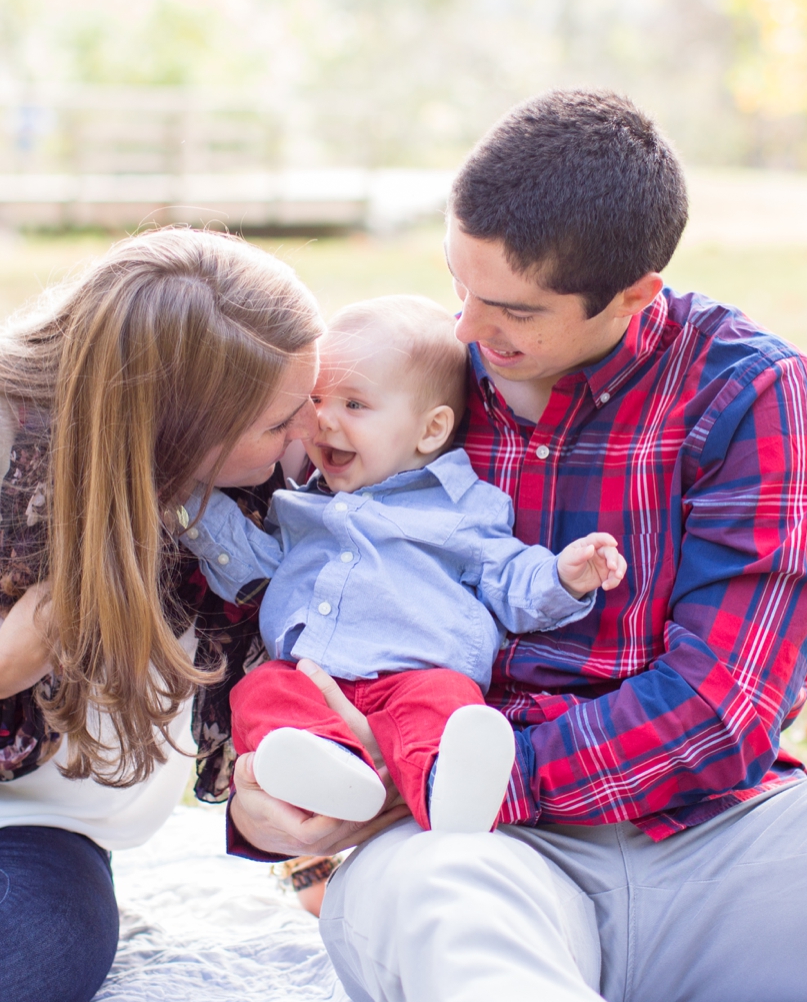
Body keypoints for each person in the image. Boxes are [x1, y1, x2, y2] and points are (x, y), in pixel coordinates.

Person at [225, 91, 807, 1002]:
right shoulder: (410, 379)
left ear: (632, 293)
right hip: (467, 864)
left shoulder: (750, 394)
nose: (468, 329)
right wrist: (255, 788)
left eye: (509, 309)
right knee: (420, 902)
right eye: (458, 285)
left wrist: (443, 787)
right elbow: (275, 606)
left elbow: (720, 709)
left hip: (715, 855)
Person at [0, 227, 324, 1002]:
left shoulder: (276, 498)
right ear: (176, 430)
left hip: (33, 821)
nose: (312, 433)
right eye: (281, 423)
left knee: (35, 956)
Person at [190, 294, 627, 834]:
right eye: (319, 399)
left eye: (354, 405)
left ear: (430, 430)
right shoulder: (302, 508)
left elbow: (508, 574)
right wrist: (192, 505)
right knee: (259, 692)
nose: (322, 419)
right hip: (314, 675)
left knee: (447, 707)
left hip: (417, 675)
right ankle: (325, 770)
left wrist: (563, 575)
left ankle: (449, 796)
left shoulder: (461, 506)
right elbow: (257, 571)